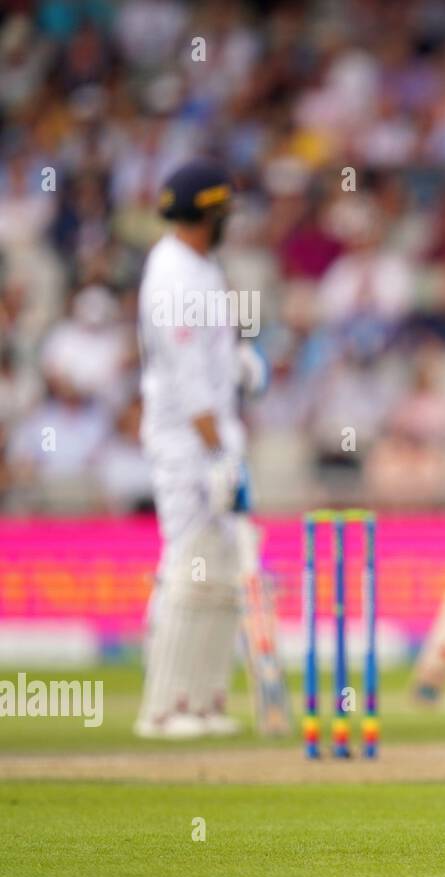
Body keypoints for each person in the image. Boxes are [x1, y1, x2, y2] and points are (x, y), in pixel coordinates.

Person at [134, 160, 267, 738]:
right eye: (222, 216)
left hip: (217, 439)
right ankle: (162, 709)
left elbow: (215, 357)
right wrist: (217, 455)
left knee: (220, 575)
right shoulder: (172, 275)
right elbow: (188, 383)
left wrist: (241, 365)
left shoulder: (203, 267)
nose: (227, 225)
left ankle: (203, 701)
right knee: (187, 569)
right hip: (187, 444)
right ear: (204, 215)